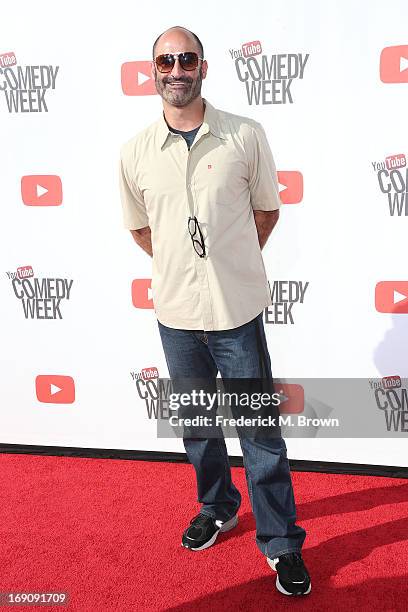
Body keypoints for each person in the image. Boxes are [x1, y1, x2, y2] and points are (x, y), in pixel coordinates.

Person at [119, 25, 312, 596]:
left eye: (186, 59)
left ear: (204, 66)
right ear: (152, 71)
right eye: (164, 61)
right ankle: (218, 507)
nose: (175, 70)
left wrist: (224, 266)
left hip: (237, 311)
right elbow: (140, 228)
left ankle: (280, 543)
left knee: (259, 431)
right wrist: (185, 267)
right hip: (176, 315)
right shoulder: (134, 153)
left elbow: (266, 213)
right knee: (199, 427)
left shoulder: (244, 136)